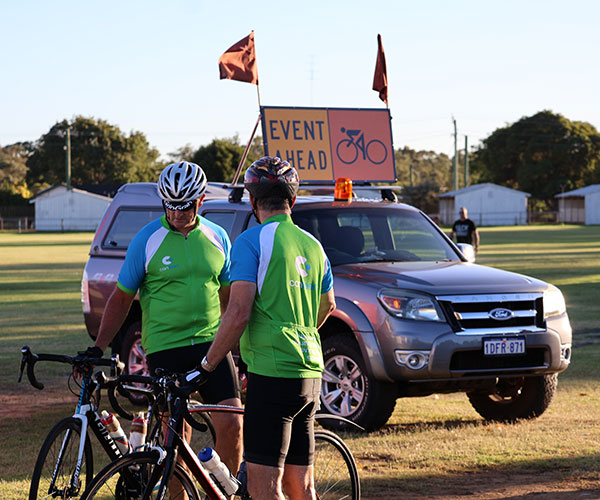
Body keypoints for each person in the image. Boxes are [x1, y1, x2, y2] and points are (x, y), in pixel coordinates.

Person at [78, 161, 243, 475]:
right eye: (170, 207)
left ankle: (223, 494)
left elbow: (228, 297)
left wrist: (235, 343)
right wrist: (99, 346)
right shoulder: (147, 239)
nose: (177, 214)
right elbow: (121, 298)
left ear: (201, 201)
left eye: (185, 207)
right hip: (166, 347)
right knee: (175, 437)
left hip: (212, 346)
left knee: (234, 425)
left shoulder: (218, 236)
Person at [197, 156, 336, 500]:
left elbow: (239, 312)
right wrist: (300, 330)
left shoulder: (250, 241)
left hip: (272, 376)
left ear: (252, 201)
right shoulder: (314, 246)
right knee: (301, 486)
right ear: (292, 200)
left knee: (264, 488)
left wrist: (207, 365)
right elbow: (328, 305)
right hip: (309, 373)